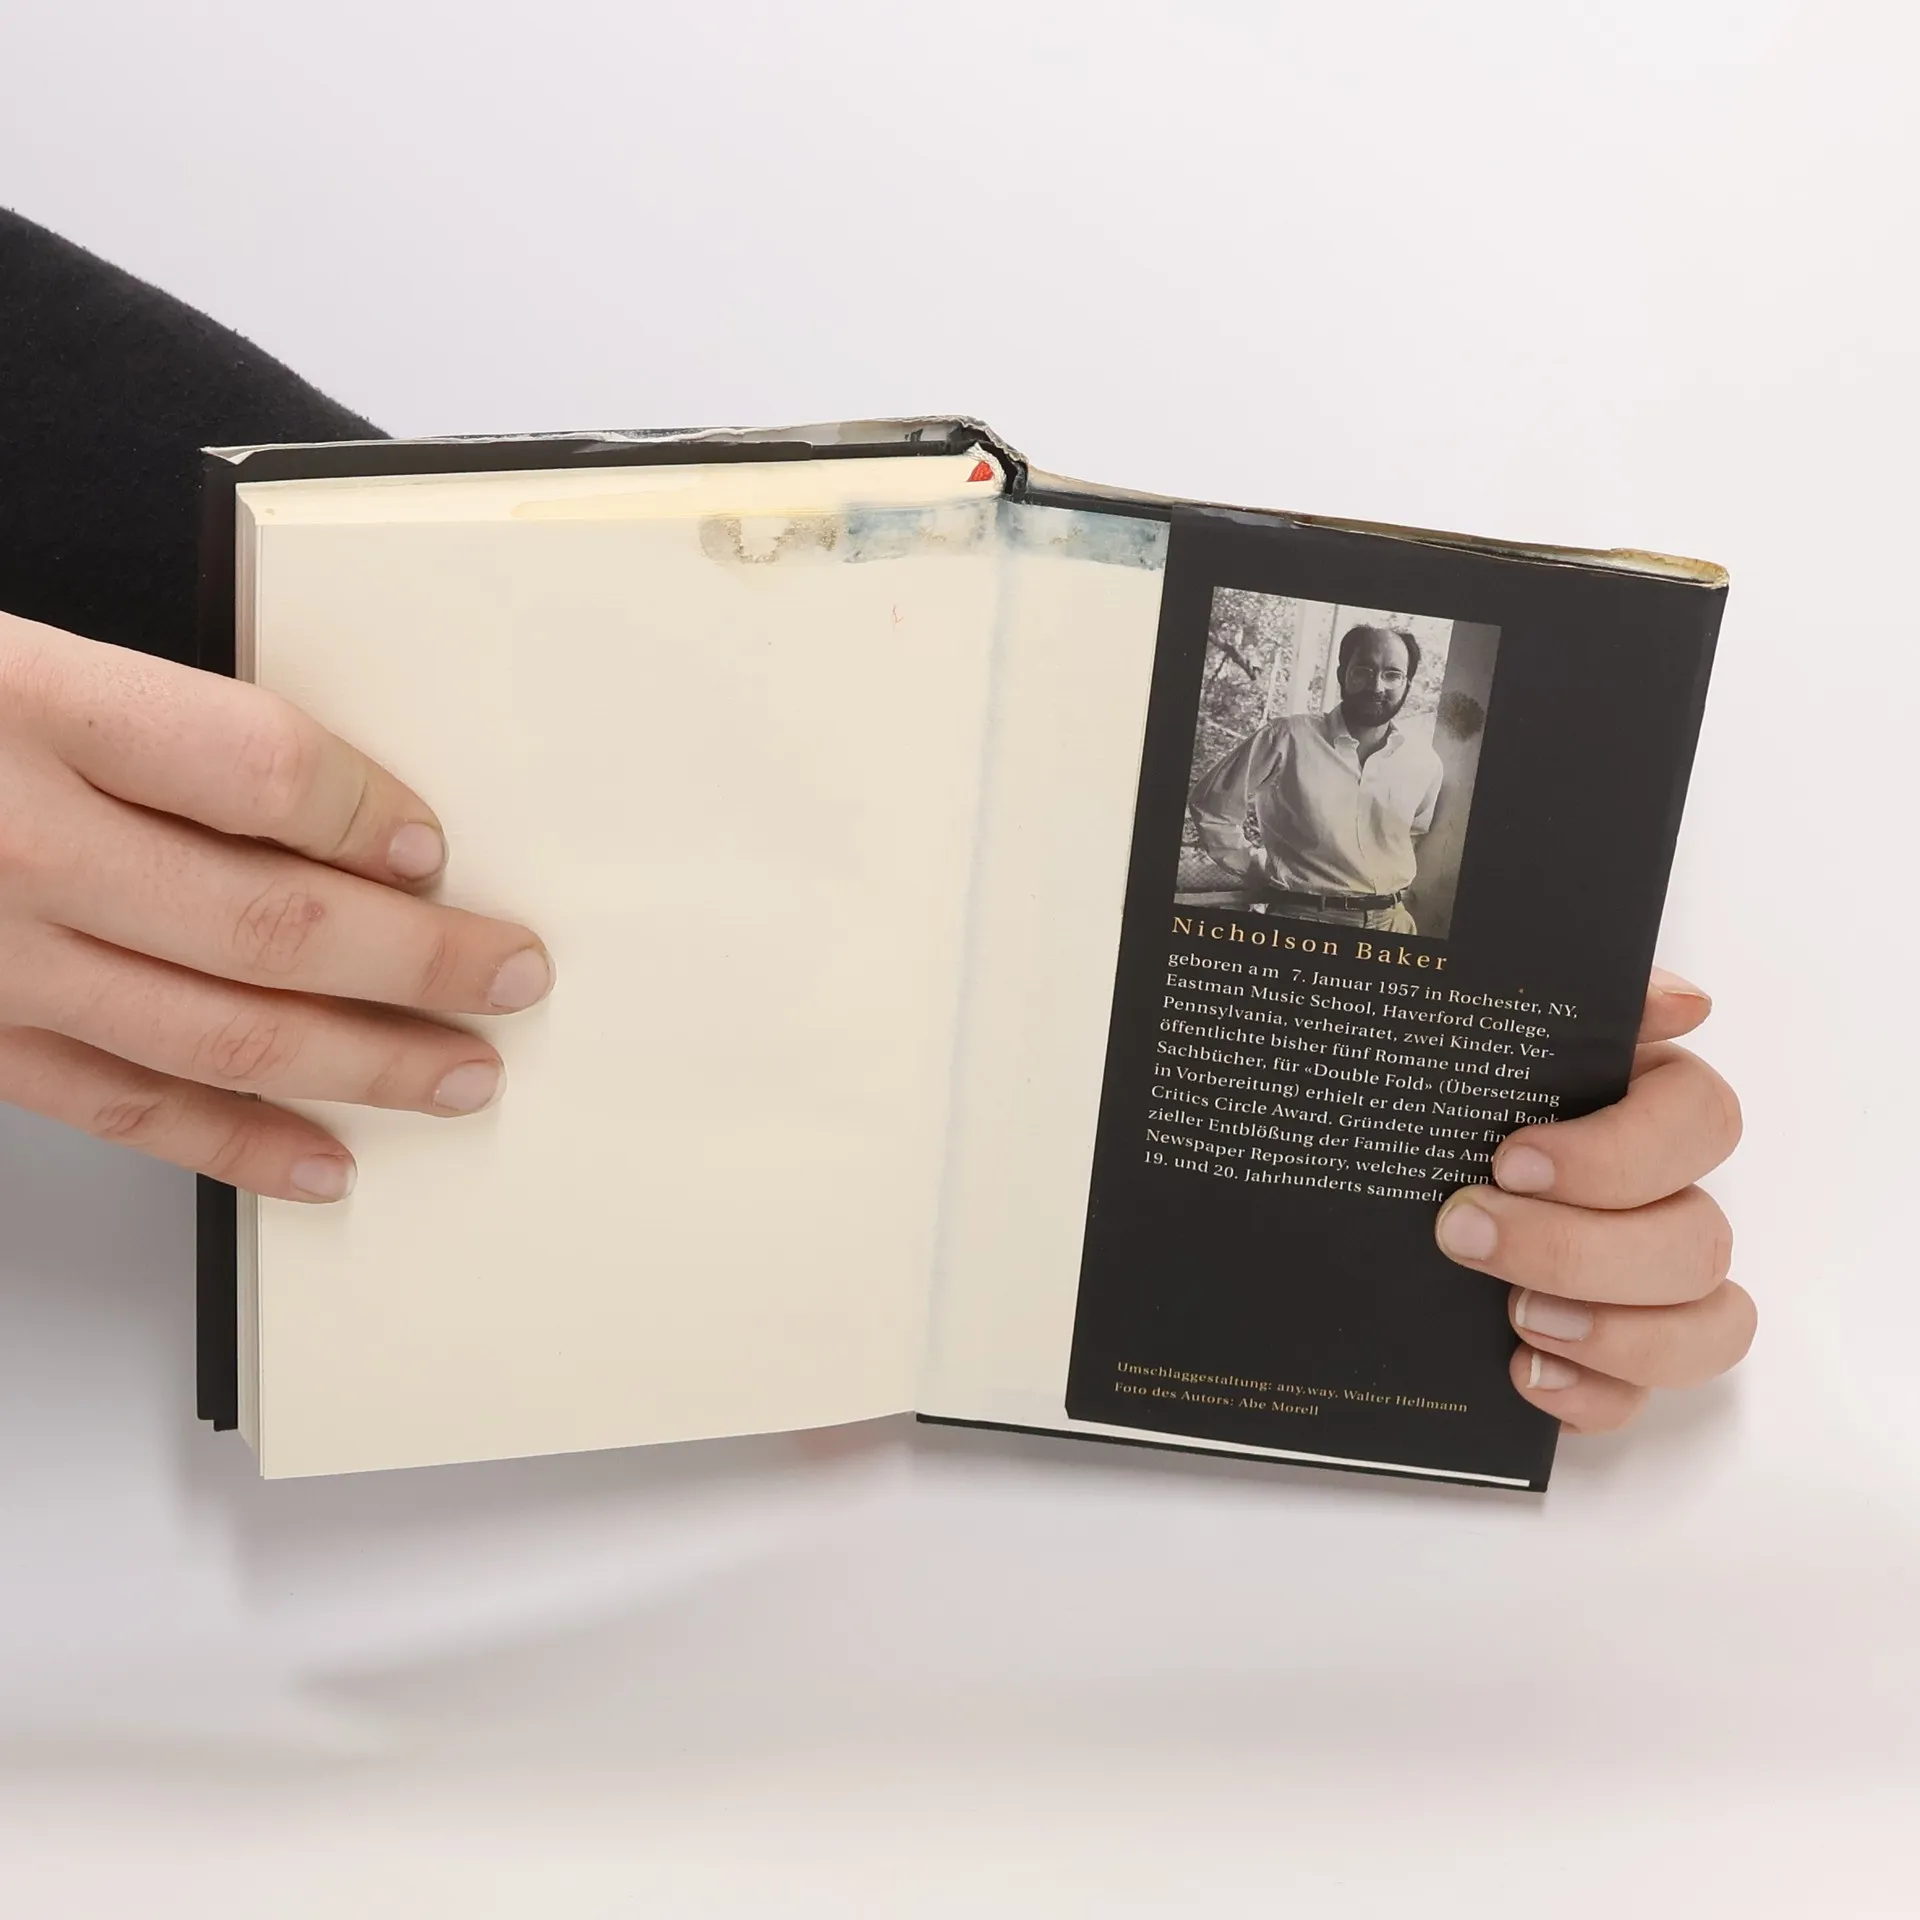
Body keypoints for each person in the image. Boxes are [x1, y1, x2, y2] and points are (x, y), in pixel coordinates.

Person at [0, 207, 1754, 1435]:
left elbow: (308, 706)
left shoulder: (1419, 776)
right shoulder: (1281, 740)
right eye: (1359, 660)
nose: (1375, 679)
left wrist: (1479, 1095)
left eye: (1393, 670)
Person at [1189, 622, 1441, 931]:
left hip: (1393, 923)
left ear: (1407, 684)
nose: (1377, 686)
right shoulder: (1287, 737)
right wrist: (1254, 868)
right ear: (1342, 674)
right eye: (1363, 670)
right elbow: (1211, 806)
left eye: (1392, 674)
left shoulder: (1424, 761)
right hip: (1303, 920)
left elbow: (1413, 834)